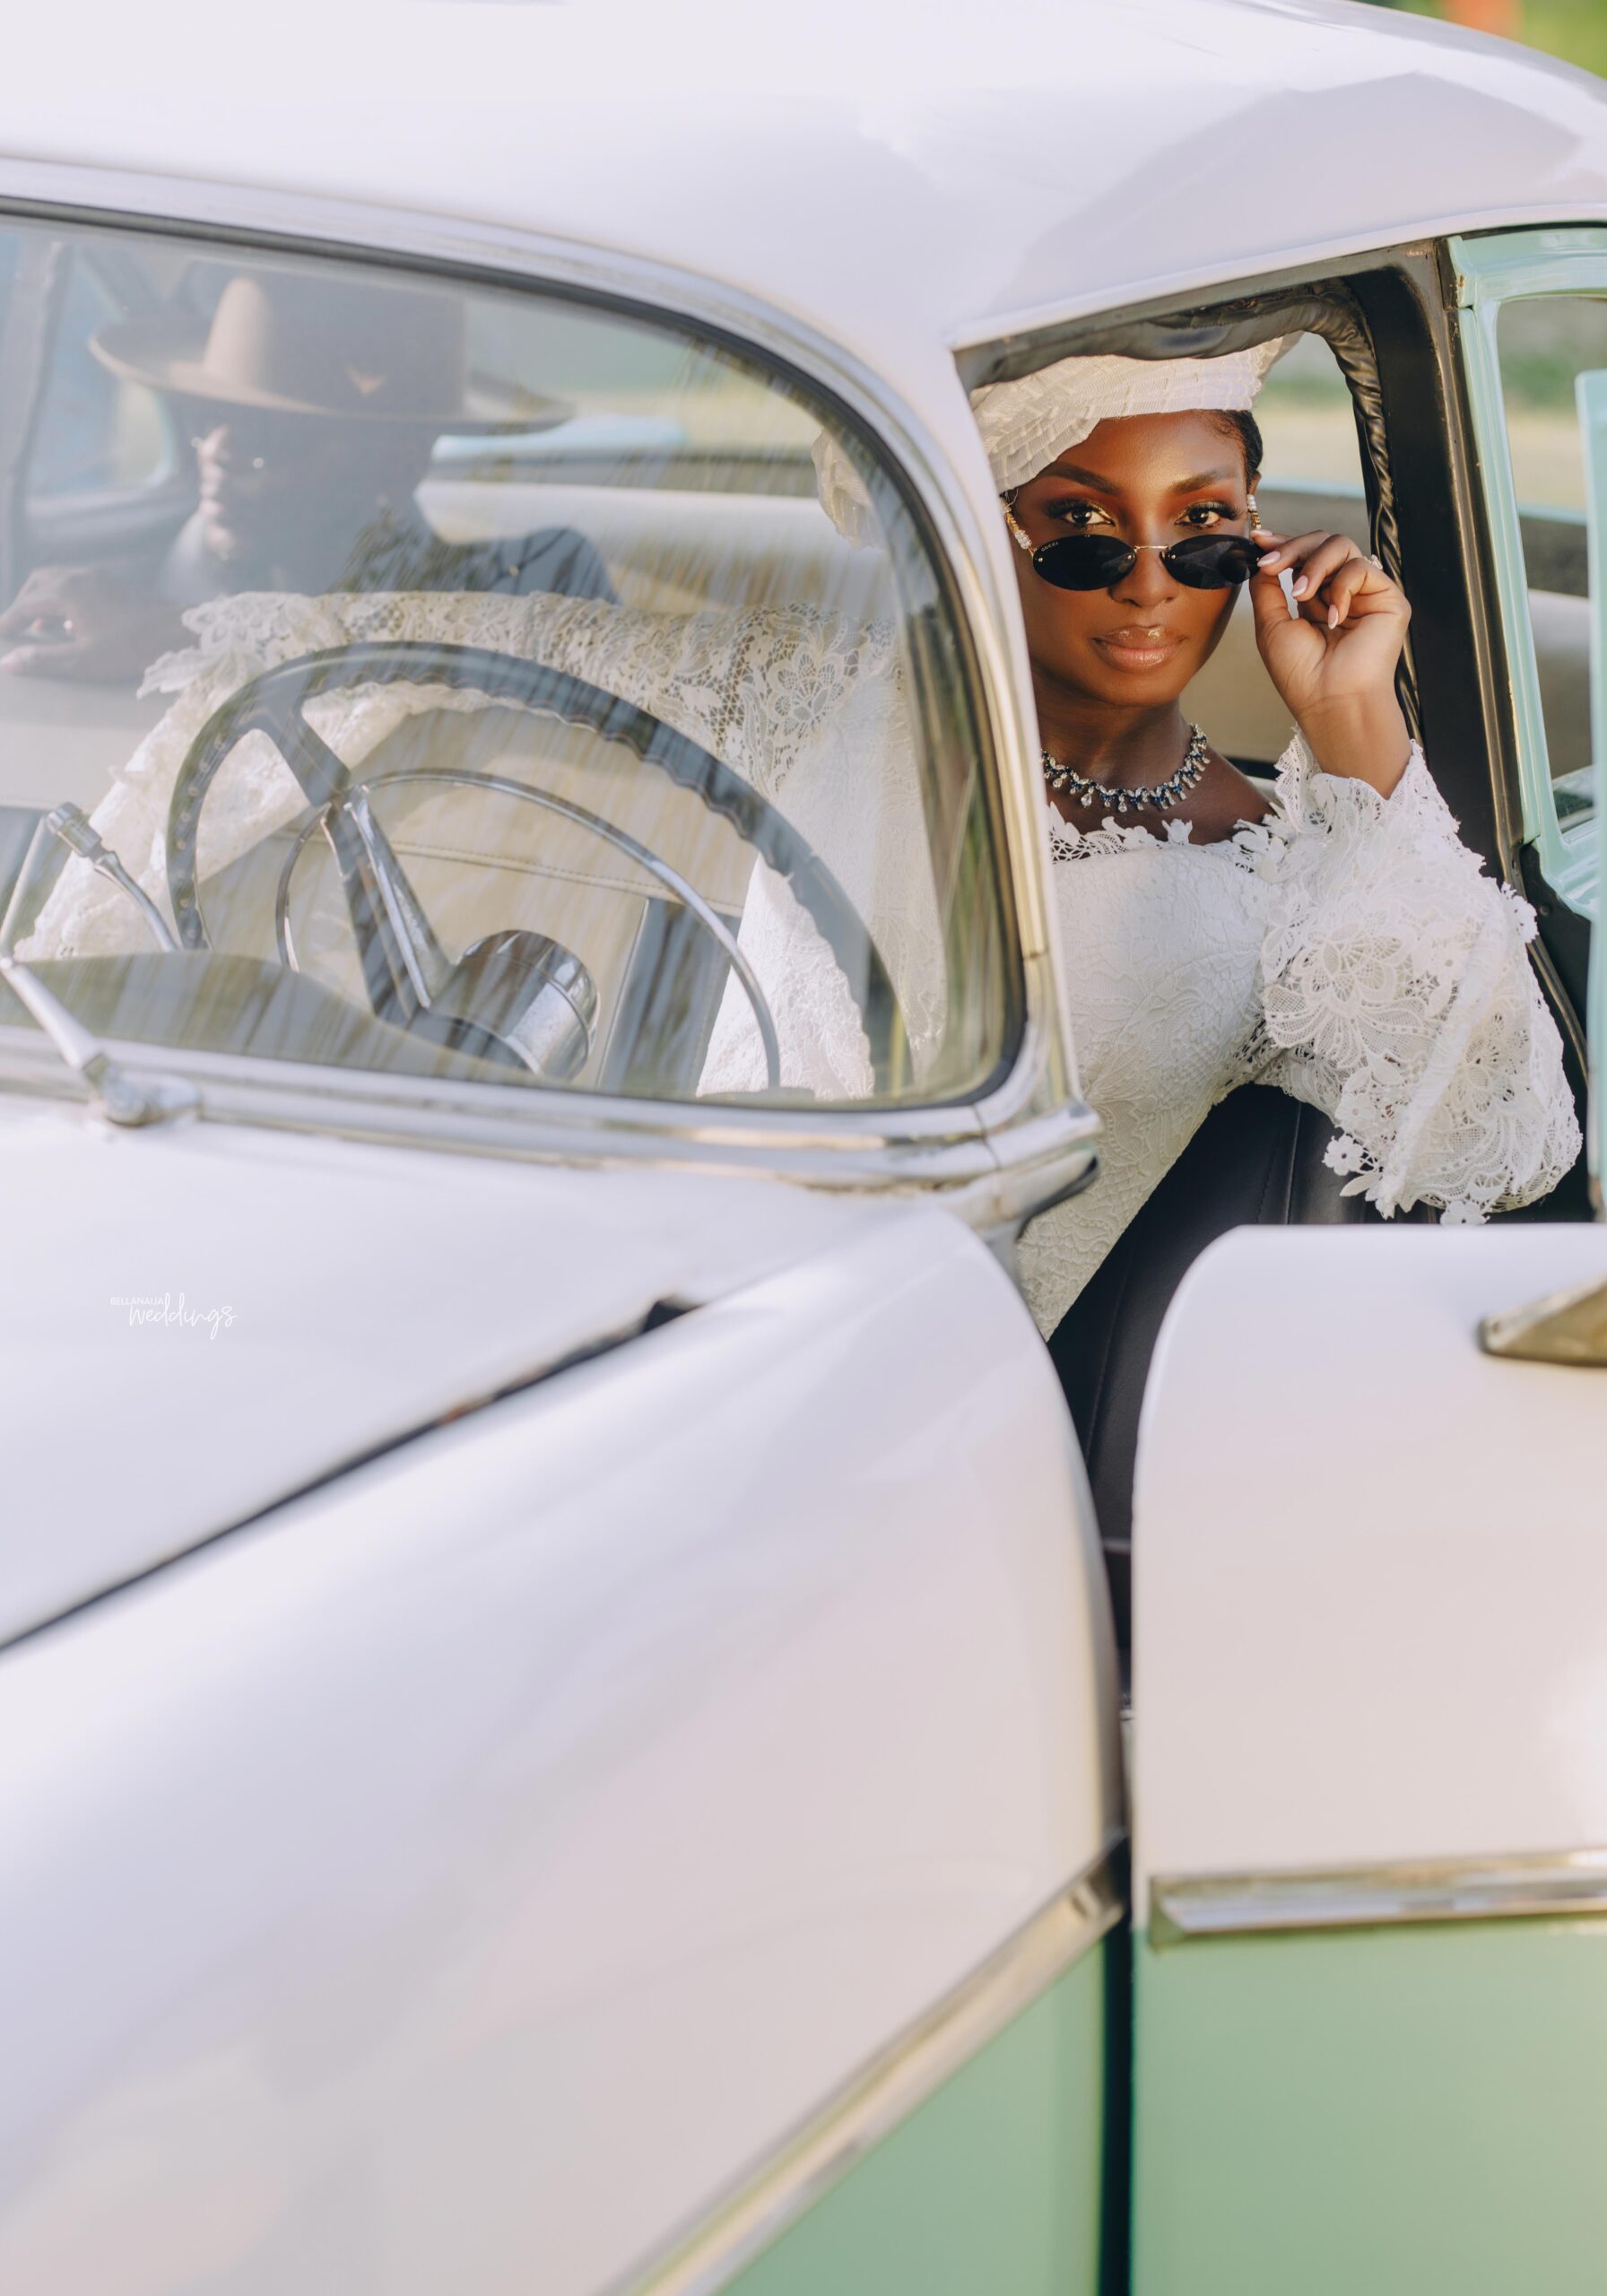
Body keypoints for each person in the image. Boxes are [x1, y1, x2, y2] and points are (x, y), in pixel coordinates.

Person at [943, 339, 1579, 1335]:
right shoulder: (819, 702)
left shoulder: (1281, 879)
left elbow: (1500, 1138)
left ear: (1255, 533)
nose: (1148, 585)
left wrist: (1350, 714)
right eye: (1084, 526)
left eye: (1201, 525)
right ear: (990, 527)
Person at [0, 267, 612, 685]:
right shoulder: (185, 568)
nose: (218, 451)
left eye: (265, 434)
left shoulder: (543, 580)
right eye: (207, 419)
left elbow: (441, 661)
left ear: (397, 462)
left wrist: (190, 641)